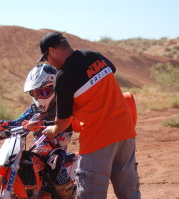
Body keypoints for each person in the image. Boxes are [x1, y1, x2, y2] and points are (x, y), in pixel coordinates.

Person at [38, 32, 141, 199]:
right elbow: (111, 70)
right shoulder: (92, 55)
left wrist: (52, 130)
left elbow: (63, 122)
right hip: (125, 132)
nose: (48, 62)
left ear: (52, 51)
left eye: (46, 58)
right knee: (129, 192)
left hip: (98, 139)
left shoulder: (63, 77)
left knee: (90, 194)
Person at [0, 63, 74, 199]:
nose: (40, 97)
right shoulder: (34, 109)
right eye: (36, 93)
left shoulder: (62, 107)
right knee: (21, 161)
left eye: (44, 92)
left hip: (56, 147)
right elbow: (19, 122)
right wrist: (3, 128)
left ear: (55, 88)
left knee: (54, 163)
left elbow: (70, 120)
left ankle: (68, 194)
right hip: (38, 149)